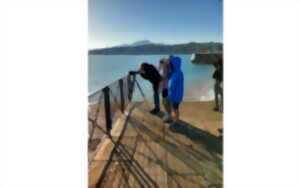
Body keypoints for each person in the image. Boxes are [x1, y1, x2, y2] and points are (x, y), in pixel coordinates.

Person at [167, 56, 184, 126]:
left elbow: (172, 85)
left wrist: (168, 92)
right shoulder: (178, 72)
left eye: (170, 64)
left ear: (174, 64)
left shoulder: (176, 74)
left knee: (175, 109)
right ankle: (176, 119)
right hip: (177, 94)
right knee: (175, 108)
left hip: (175, 95)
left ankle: (176, 122)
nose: (169, 66)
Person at [158, 58, 172, 123]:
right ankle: (169, 115)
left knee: (165, 102)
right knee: (167, 102)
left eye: (159, 63)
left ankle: (168, 117)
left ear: (161, 63)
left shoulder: (164, 67)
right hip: (168, 87)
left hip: (165, 88)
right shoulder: (168, 67)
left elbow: (163, 77)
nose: (158, 64)